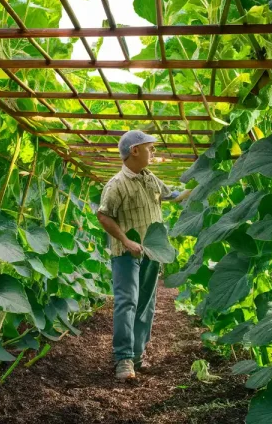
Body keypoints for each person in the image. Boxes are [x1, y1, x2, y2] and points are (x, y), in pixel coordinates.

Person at [97, 130, 191, 382]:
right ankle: (123, 359)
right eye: (150, 148)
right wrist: (126, 240)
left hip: (151, 252)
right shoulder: (116, 184)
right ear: (134, 150)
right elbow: (103, 215)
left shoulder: (150, 179)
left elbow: (172, 196)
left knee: (146, 305)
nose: (154, 152)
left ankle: (138, 355)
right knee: (127, 303)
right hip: (126, 254)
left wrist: (199, 187)